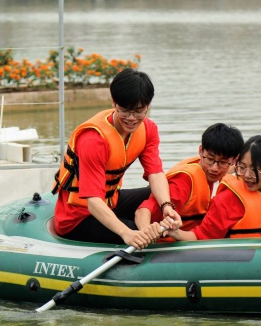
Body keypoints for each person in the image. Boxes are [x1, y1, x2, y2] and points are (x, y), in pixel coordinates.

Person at [52, 68, 180, 249]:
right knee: (143, 233)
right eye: (125, 111)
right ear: (114, 103)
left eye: (138, 111)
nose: (131, 118)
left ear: (148, 106)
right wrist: (126, 233)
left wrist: (166, 206)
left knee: (173, 189)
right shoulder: (93, 140)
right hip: (78, 218)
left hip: (111, 201)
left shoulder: (148, 129)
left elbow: (156, 174)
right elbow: (93, 202)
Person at [135, 123, 244, 241]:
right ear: (201, 151)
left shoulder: (216, 168)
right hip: (161, 245)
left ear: (234, 161)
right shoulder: (185, 181)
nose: (214, 168)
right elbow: (143, 211)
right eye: (210, 159)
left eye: (222, 162)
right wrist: (145, 232)